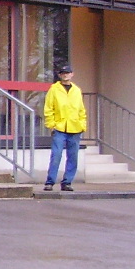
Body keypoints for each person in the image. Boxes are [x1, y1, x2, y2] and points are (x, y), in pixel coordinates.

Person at [42, 63, 87, 192]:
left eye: (67, 73)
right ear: (59, 75)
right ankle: (50, 181)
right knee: (56, 155)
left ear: (72, 74)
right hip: (60, 128)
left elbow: (81, 110)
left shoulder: (76, 90)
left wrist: (82, 125)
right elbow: (48, 108)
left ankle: (67, 182)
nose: (65, 75)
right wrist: (52, 125)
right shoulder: (54, 89)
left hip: (75, 128)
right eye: (63, 73)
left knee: (73, 156)